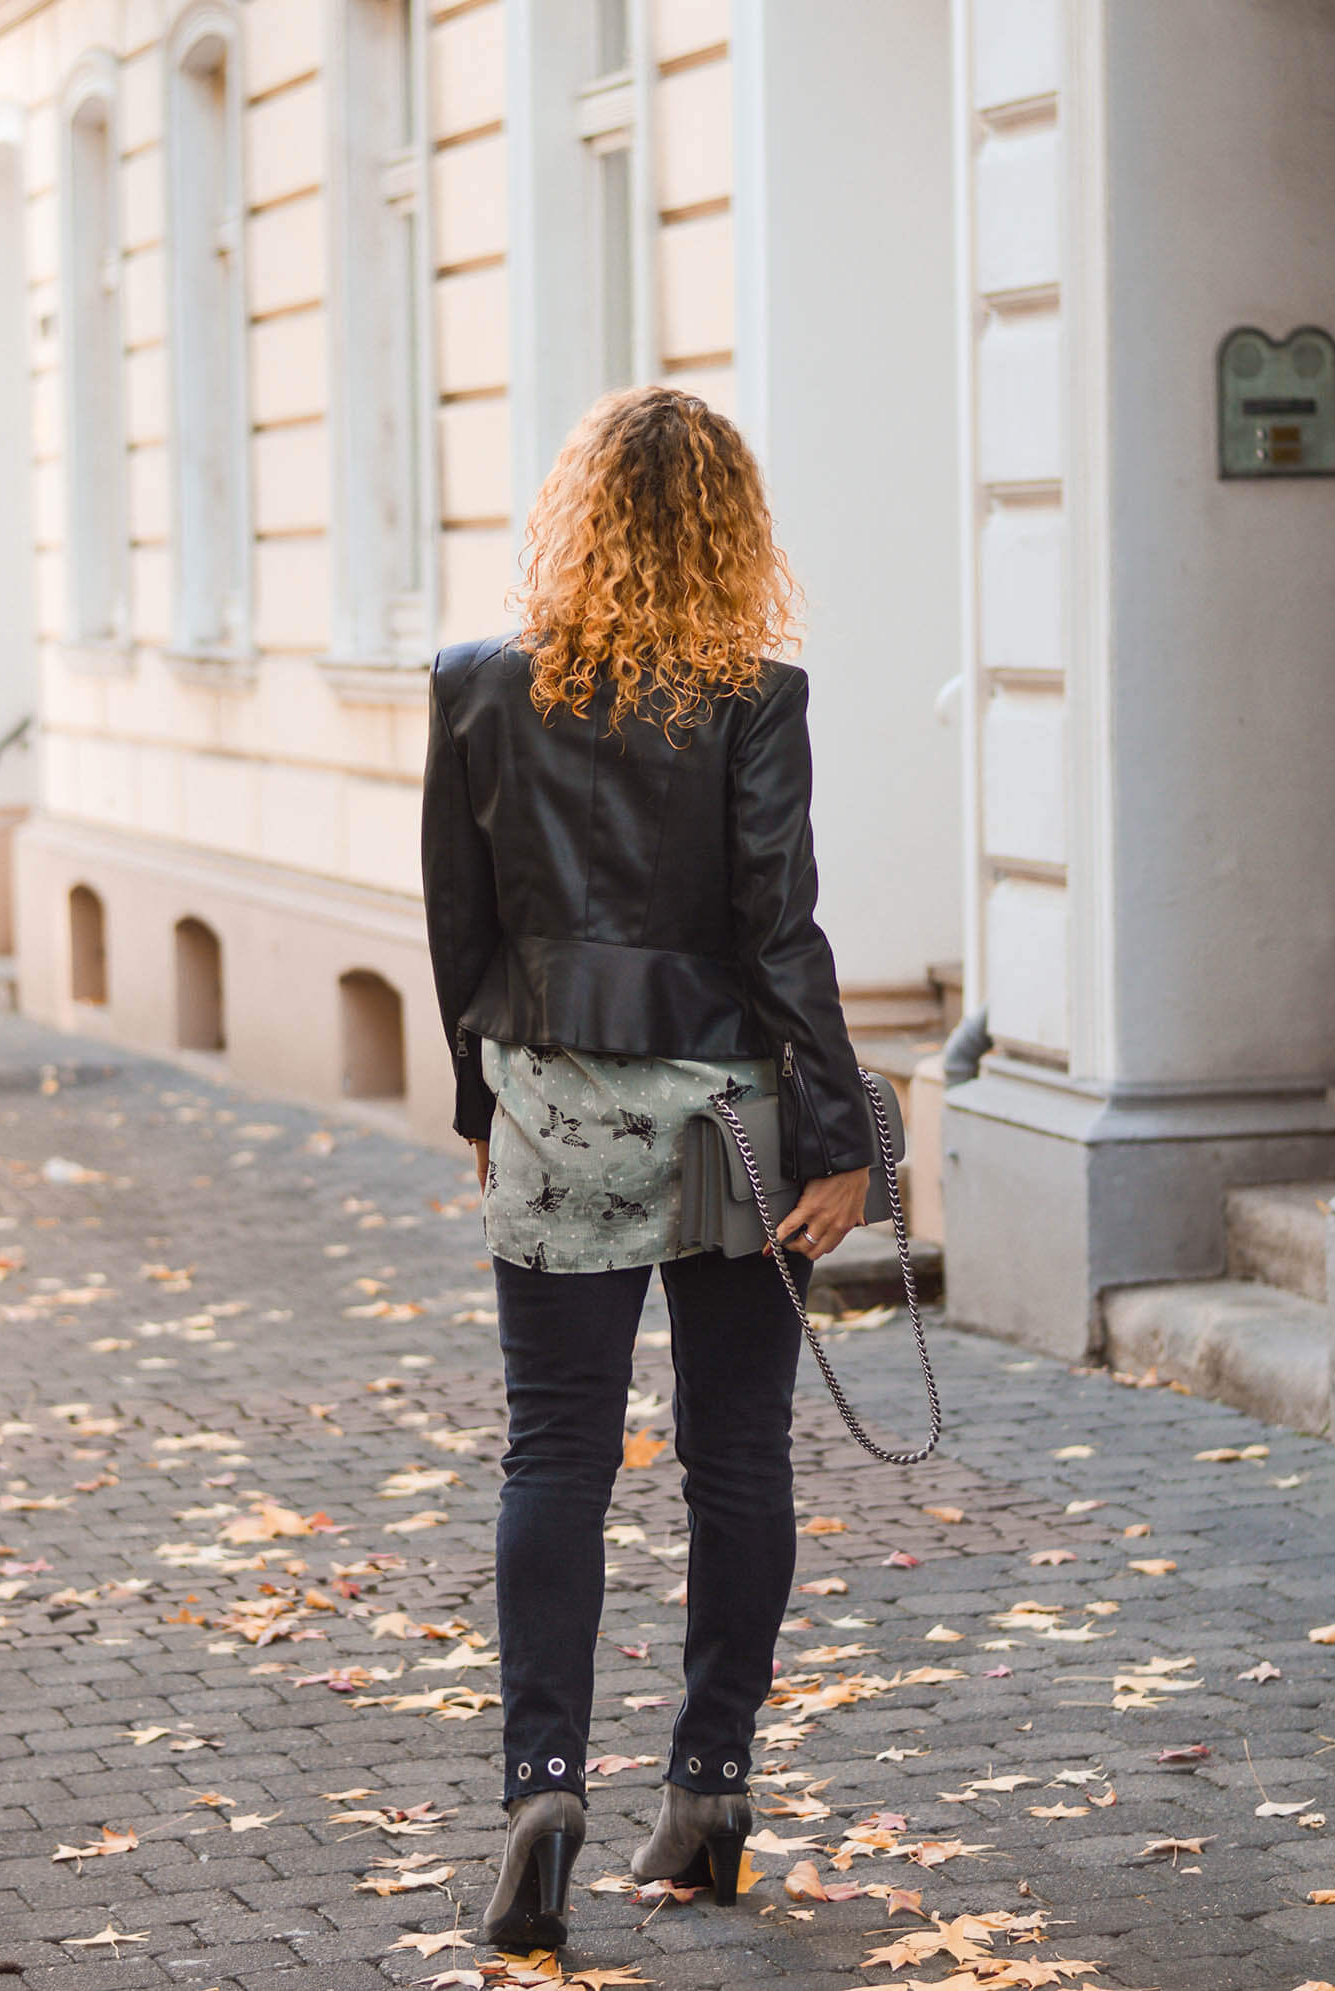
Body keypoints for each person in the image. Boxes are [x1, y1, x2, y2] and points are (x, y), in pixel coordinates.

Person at [421, 385, 875, 1950]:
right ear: (729, 531)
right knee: (735, 1455)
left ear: (578, 518)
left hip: (556, 1096)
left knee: (554, 1453)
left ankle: (543, 1786)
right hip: (734, 1111)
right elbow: (779, 929)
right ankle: (712, 1785)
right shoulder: (759, 693)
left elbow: (458, 927)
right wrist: (837, 1137)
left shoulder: (477, 688)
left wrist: (485, 1106)